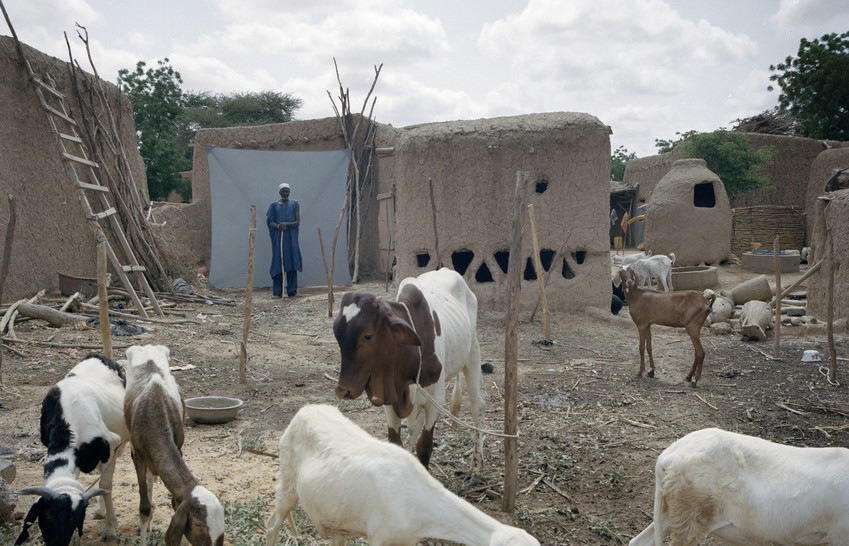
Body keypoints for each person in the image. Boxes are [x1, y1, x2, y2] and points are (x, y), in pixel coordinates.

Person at [266, 182, 302, 297]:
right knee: (278, 262)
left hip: (291, 239)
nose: (285, 193)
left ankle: (292, 291)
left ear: (289, 192)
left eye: (287, 191)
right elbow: (270, 221)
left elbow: (297, 222)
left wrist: (286, 223)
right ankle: (277, 292)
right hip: (279, 238)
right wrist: (278, 226)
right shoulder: (273, 205)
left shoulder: (295, 204)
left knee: (292, 262)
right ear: (279, 192)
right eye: (283, 191)